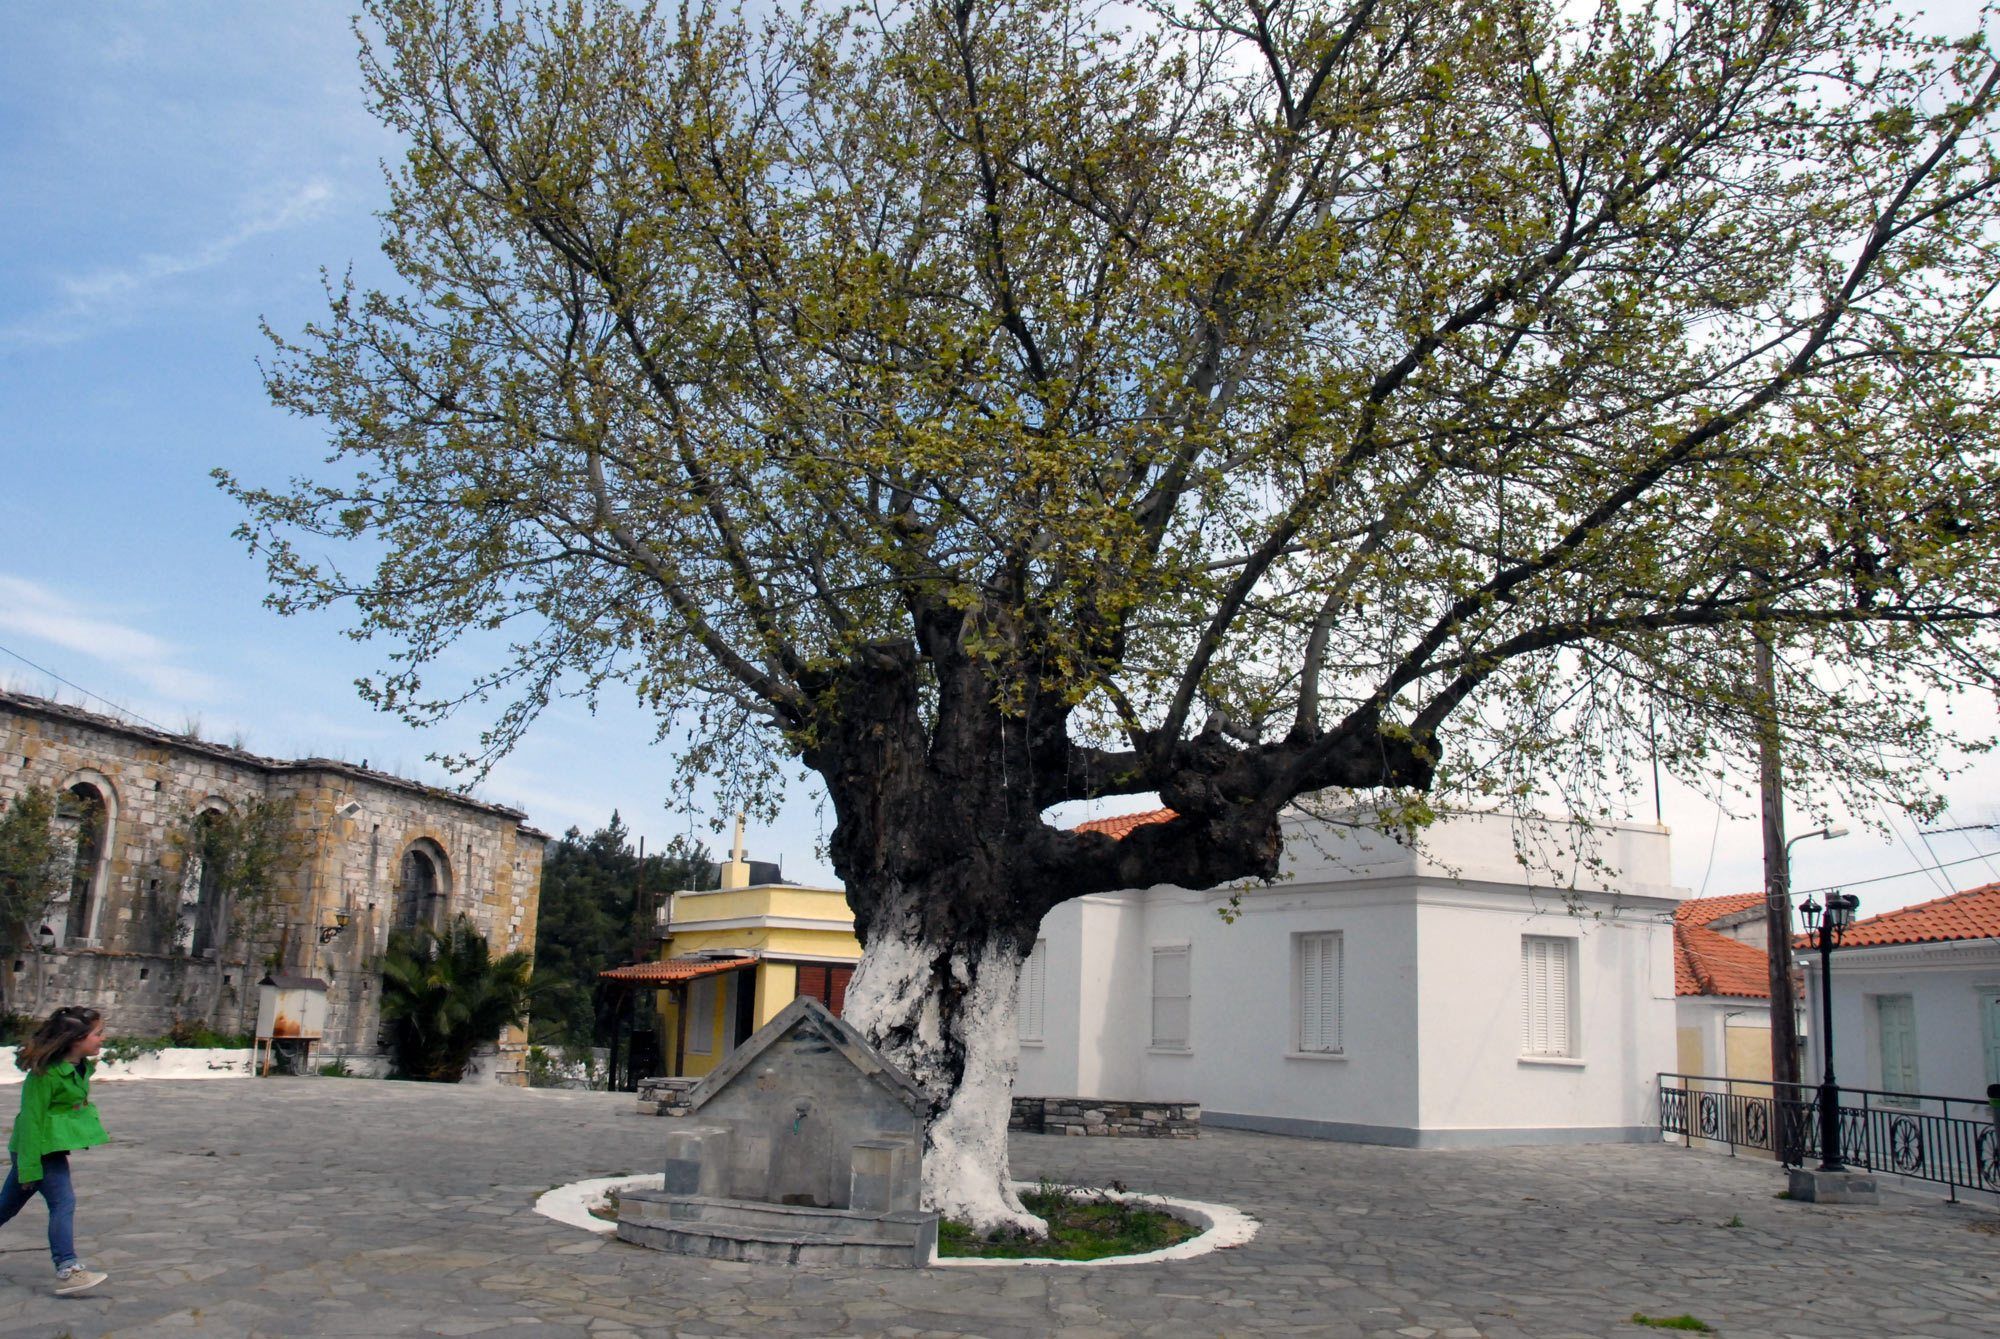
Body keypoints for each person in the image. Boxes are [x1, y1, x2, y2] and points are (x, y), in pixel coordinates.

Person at [2, 1005, 109, 1296]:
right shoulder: (45, 1076)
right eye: (97, 1034)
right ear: (77, 1038)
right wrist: (29, 1167)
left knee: (6, 1208)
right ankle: (68, 1269)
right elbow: (31, 1122)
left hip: (50, 1147)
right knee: (63, 1203)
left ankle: (68, 1267)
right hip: (36, 1149)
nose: (103, 1039)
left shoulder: (78, 1066)